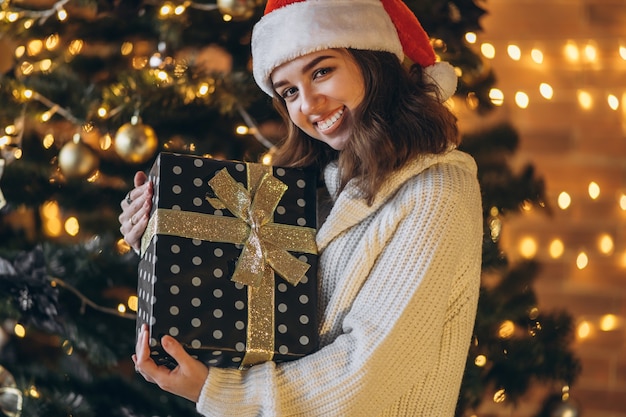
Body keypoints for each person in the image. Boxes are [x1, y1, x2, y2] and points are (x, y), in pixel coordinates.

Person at [119, 0, 483, 415]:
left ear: (372, 62)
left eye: (322, 71)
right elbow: (254, 302)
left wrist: (220, 391)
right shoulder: (316, 188)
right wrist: (157, 240)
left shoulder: (436, 190)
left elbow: (367, 370)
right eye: (289, 91)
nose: (308, 104)